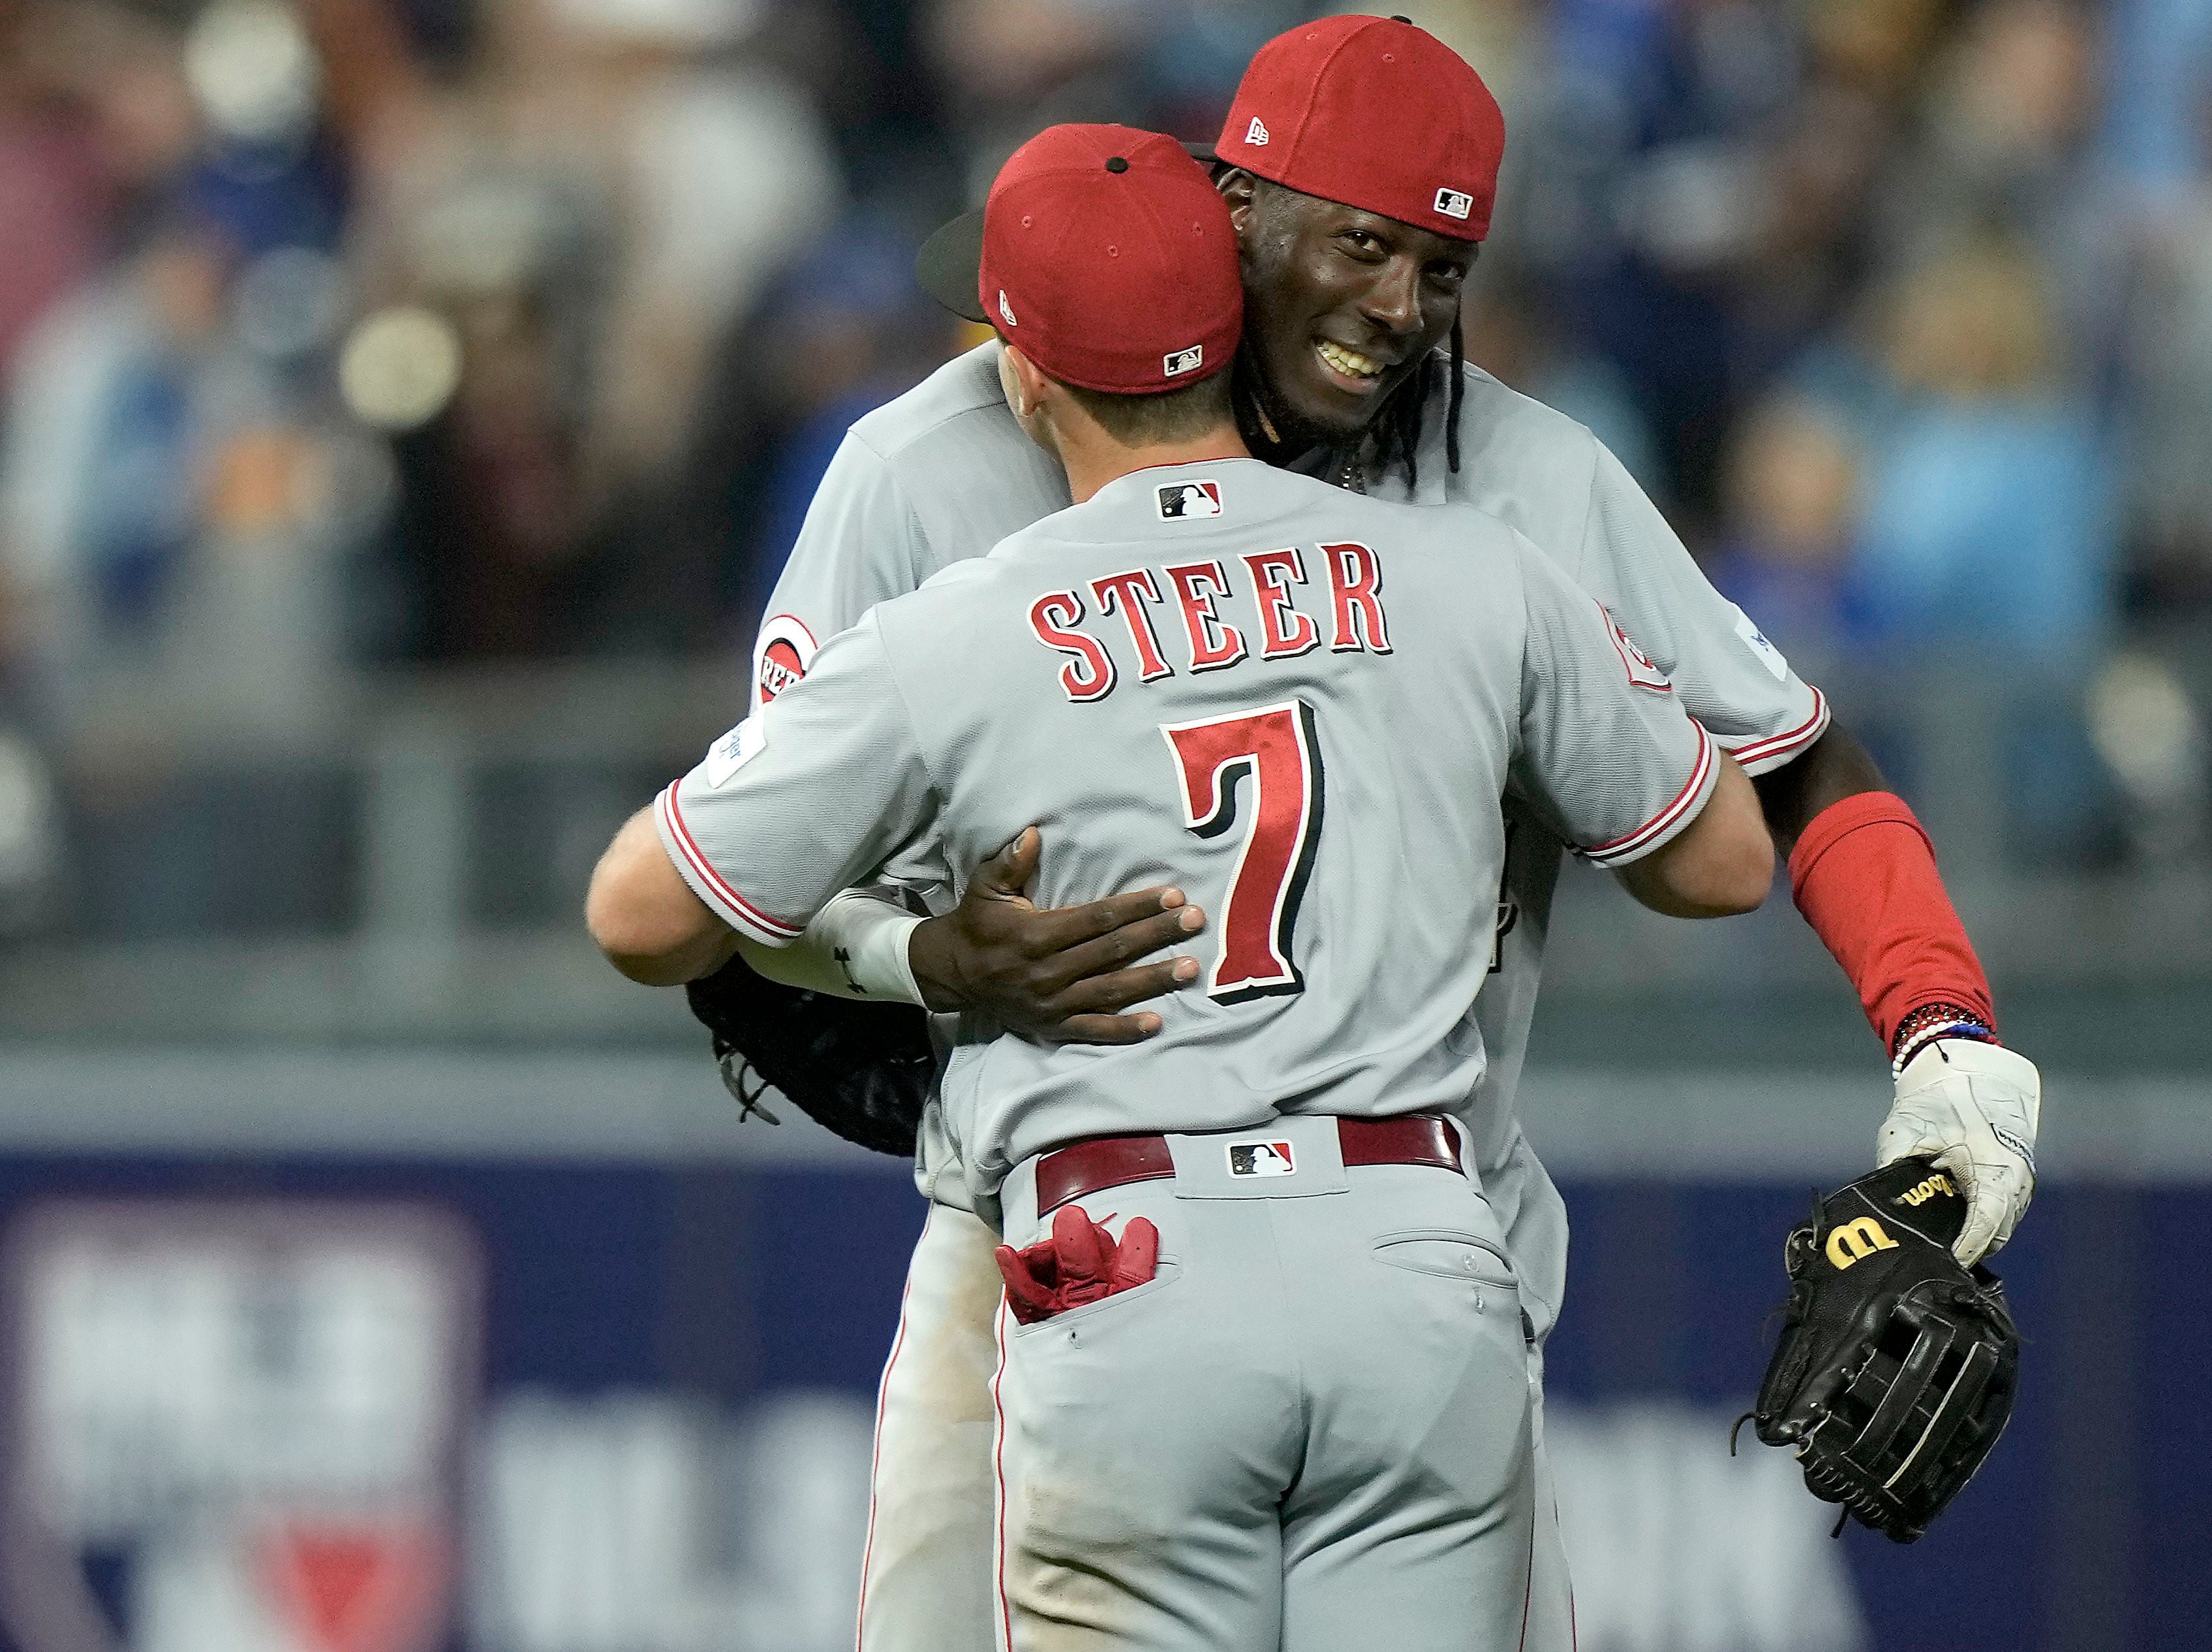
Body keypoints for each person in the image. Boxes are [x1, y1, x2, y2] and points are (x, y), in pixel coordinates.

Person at [739, 17, 2042, 1652]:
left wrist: (1939, 1026)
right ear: (1232, 205)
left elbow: (1785, 763)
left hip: (1424, 1239)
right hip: (1050, 1255)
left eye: (1441, 266)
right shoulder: (941, 456)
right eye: (1360, 241)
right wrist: (885, 960)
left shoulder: (1519, 478)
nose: (1397, 309)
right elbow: (746, 865)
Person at [586, 122, 1779, 1648]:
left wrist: (919, 963)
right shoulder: (1470, 567)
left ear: (1022, 372)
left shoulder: (967, 629)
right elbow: (1725, 858)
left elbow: (640, 912)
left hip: (1122, 1248)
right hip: (1419, 1242)